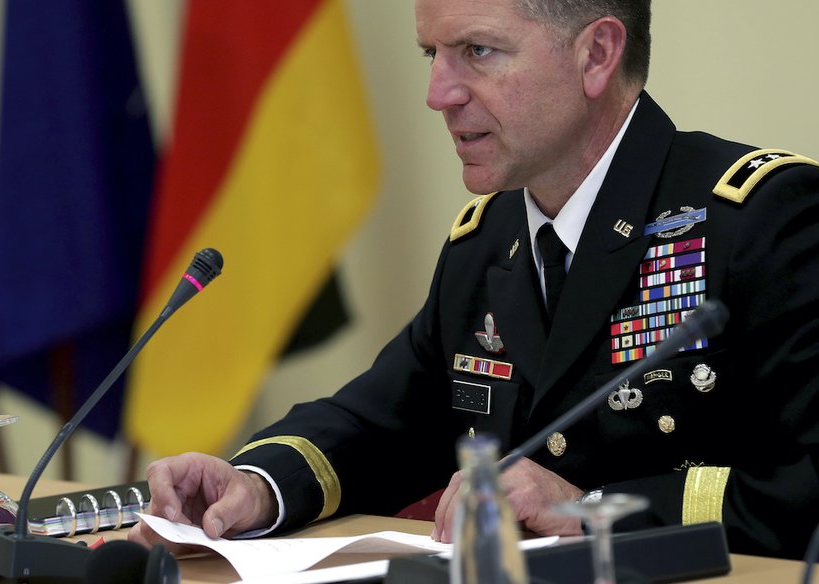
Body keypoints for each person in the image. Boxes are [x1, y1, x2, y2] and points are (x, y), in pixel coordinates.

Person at [130, 0, 819, 559]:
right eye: (434, 55)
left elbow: (804, 488)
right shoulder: (487, 242)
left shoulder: (760, 222)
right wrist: (257, 483)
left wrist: (588, 510)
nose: (439, 94)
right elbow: (385, 423)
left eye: (478, 52)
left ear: (597, 55)